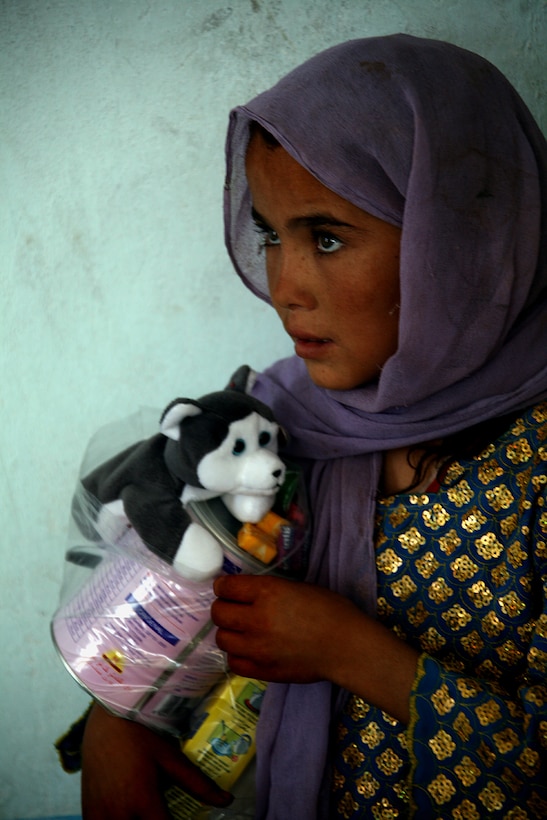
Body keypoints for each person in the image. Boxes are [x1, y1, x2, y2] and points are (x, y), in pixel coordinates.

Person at [77, 34, 547, 819]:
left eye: (326, 237)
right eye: (269, 233)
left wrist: (351, 652)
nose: (285, 285)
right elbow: (175, 608)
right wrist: (113, 724)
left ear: (459, 241)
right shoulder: (268, 425)